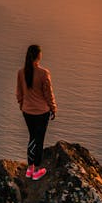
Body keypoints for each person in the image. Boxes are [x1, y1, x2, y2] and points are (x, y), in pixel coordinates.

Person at [16, 44, 57, 180]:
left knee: (32, 137)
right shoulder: (44, 73)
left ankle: (30, 169)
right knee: (38, 140)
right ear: (38, 55)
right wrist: (53, 108)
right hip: (41, 112)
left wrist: (23, 106)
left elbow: (19, 93)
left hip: (27, 111)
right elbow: (48, 94)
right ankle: (36, 171)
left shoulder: (21, 72)